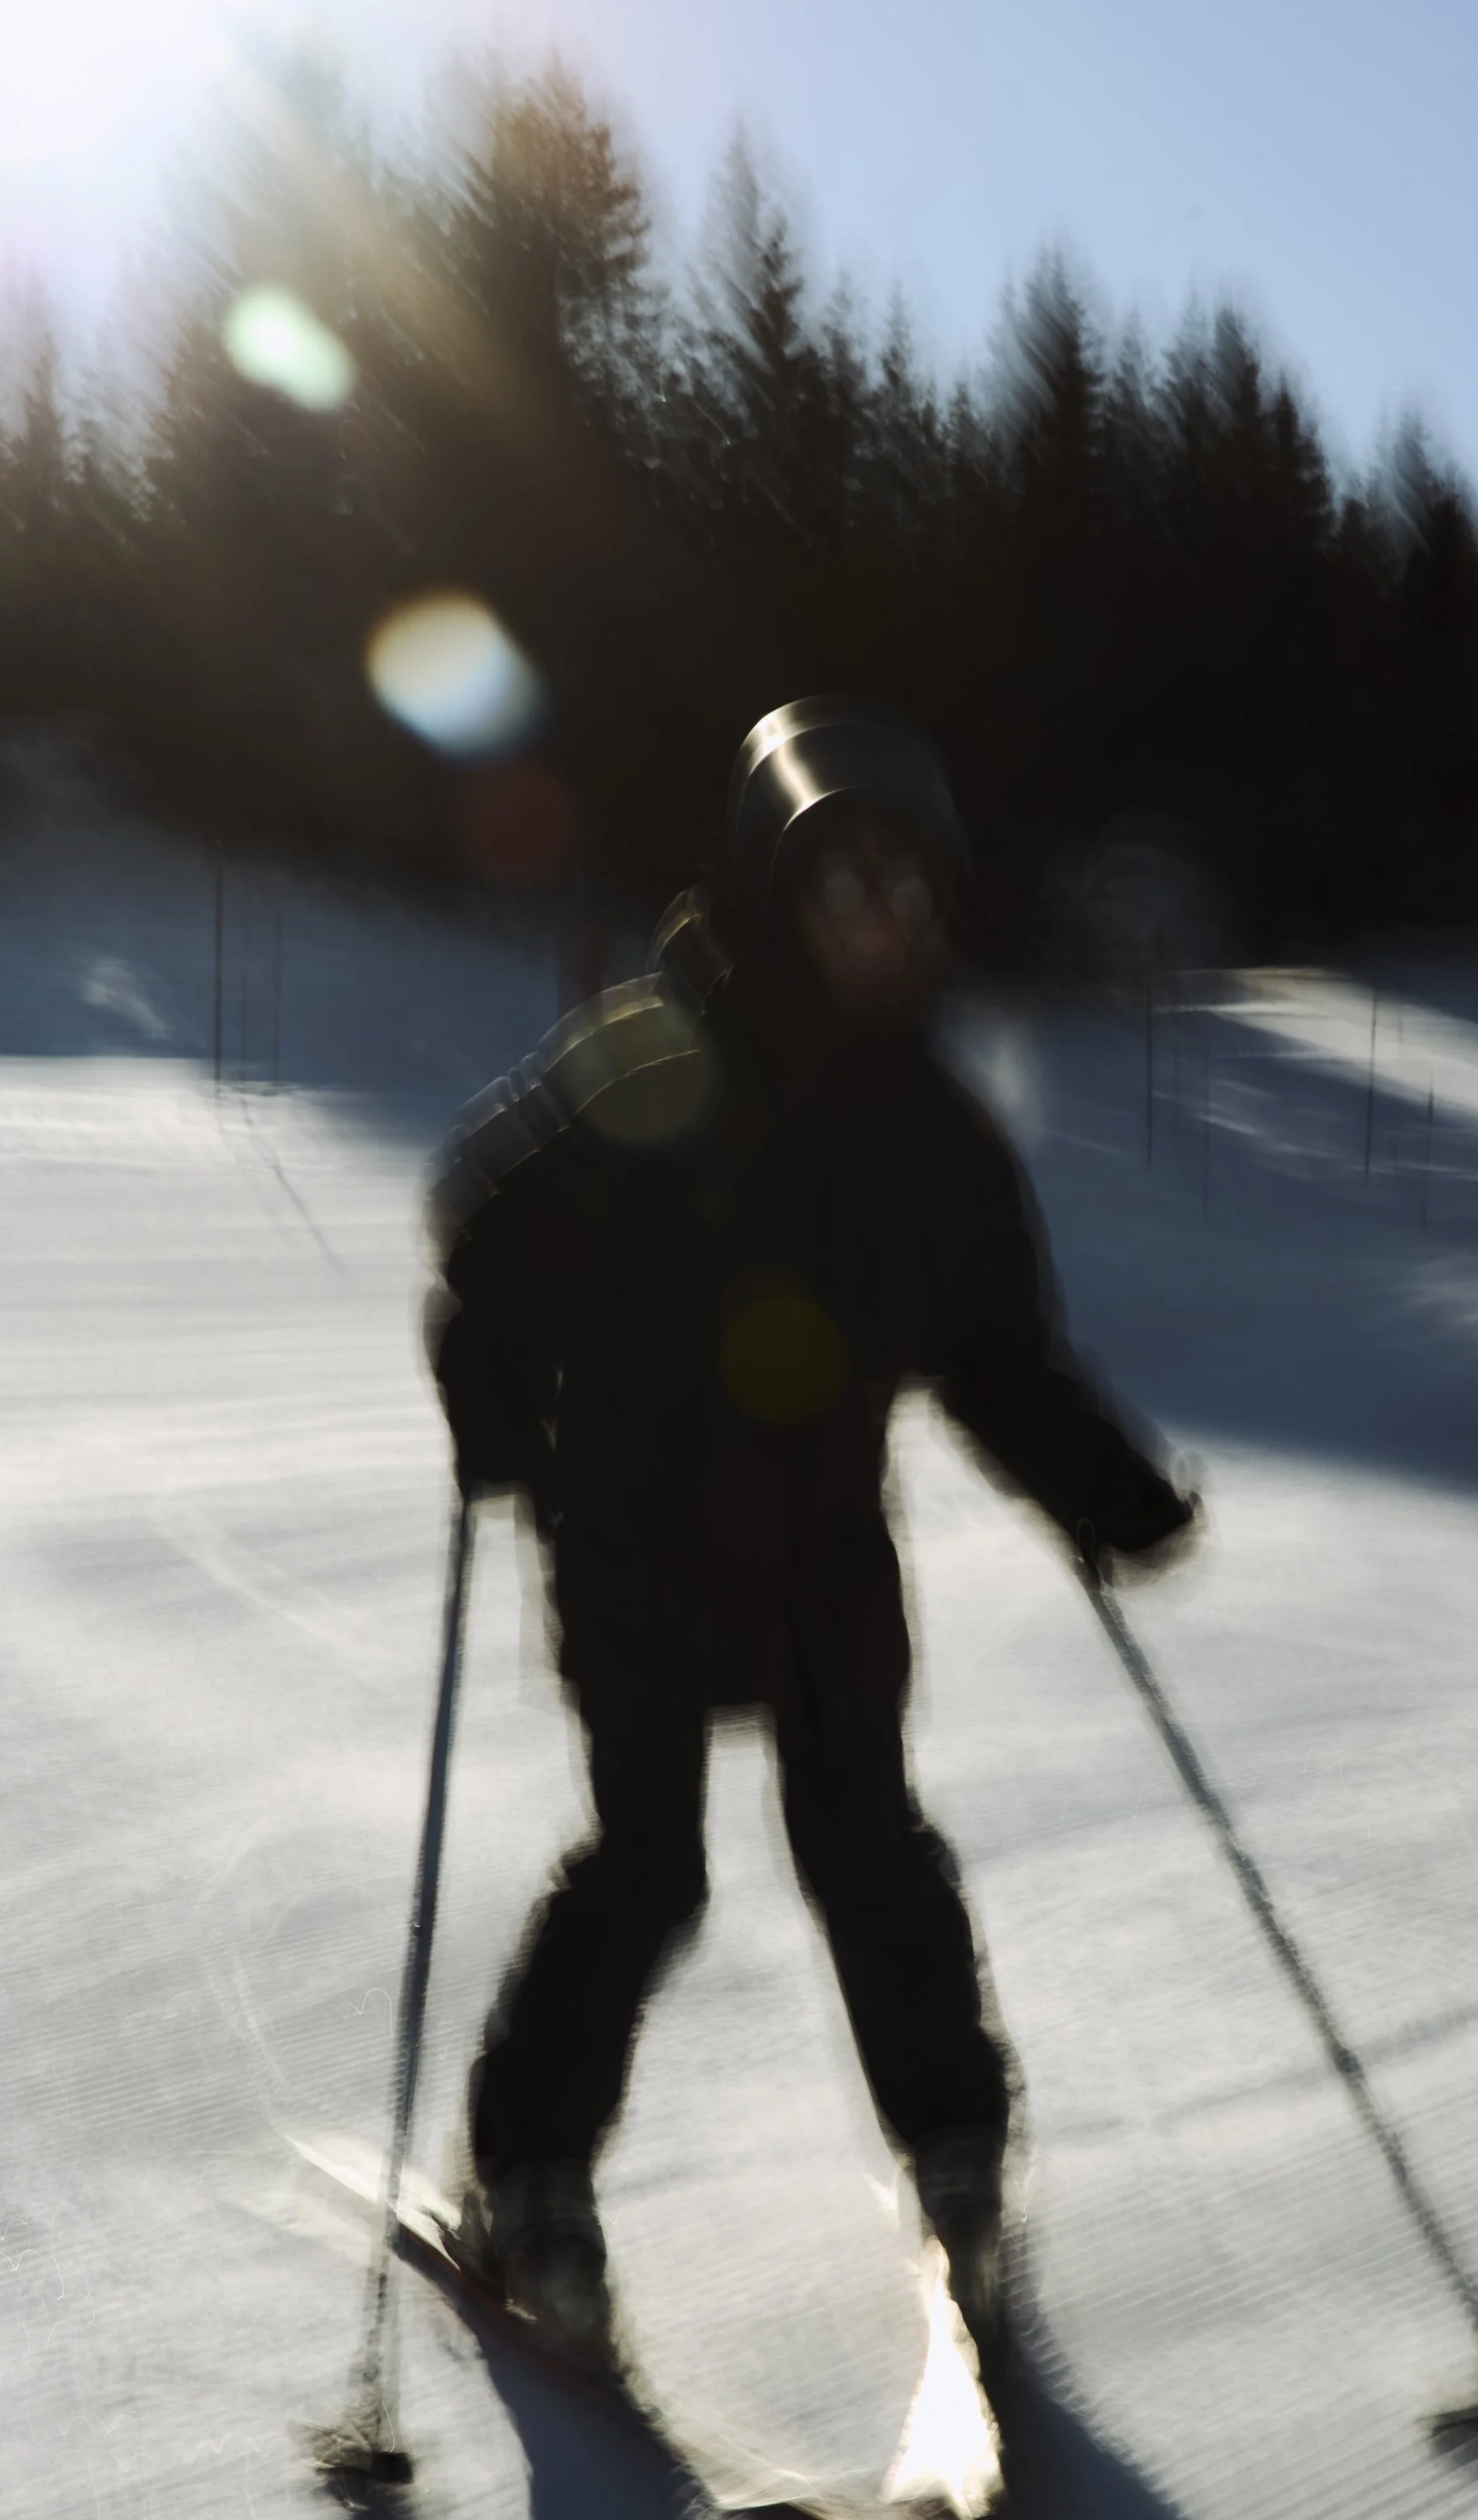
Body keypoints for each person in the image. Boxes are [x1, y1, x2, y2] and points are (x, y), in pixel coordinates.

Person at [426, 699, 1197, 2371]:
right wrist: (487, 1376)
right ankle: (528, 2179)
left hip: (820, 1556)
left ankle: (954, 2157)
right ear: (778, 890)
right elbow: (482, 1222)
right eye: (844, 884)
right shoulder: (655, 1053)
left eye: (906, 894)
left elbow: (995, 1358)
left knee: (866, 1847)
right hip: (635, 1532)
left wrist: (1096, 1479)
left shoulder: (933, 1137)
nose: (878, 921)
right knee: (648, 1866)